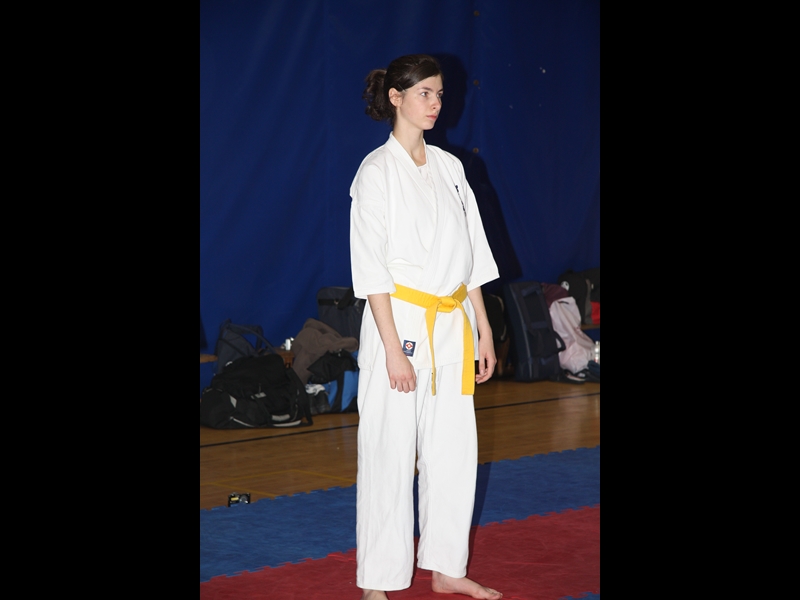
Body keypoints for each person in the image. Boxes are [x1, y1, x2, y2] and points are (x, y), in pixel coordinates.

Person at [349, 54, 503, 600]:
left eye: (439, 94)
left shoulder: (450, 168)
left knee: (454, 450)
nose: (435, 104)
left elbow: (472, 254)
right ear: (396, 97)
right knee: (389, 451)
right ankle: (378, 579)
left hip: (453, 323)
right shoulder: (375, 172)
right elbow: (371, 271)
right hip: (400, 323)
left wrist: (483, 328)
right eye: (424, 94)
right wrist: (393, 350)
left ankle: (446, 567)